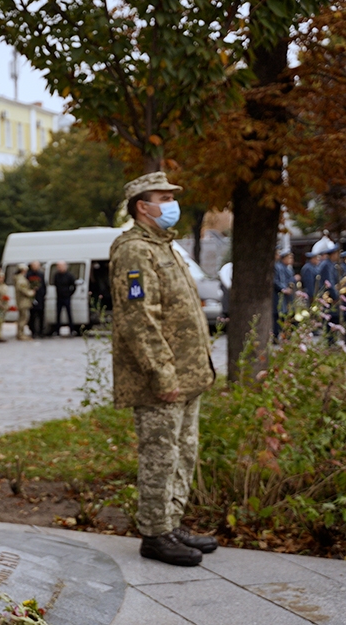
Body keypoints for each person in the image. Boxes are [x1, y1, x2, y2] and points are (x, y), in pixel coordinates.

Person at [109, 172, 217, 567]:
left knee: (183, 452)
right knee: (160, 454)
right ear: (143, 206)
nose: (172, 202)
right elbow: (139, 317)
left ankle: (171, 523)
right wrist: (161, 373)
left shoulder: (165, 247)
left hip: (188, 375)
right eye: (163, 197)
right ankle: (155, 534)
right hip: (163, 380)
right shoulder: (135, 251)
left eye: (172, 196)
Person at [273, 250, 295, 339]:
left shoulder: (282, 267)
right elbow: (276, 281)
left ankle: (286, 334)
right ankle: (277, 335)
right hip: (277, 295)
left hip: (284, 296)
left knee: (284, 314)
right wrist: (284, 289)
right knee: (278, 316)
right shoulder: (276, 266)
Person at [52, 261, 76, 336]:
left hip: (66, 297)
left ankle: (72, 330)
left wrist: (69, 294)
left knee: (69, 314)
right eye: (58, 267)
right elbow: (55, 284)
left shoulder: (69, 275)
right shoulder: (56, 275)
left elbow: (74, 286)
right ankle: (57, 331)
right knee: (58, 314)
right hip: (59, 297)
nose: (60, 268)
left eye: (61, 266)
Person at [14, 264, 36, 340]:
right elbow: (23, 290)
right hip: (23, 301)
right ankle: (20, 334)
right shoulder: (21, 279)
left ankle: (20, 333)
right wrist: (31, 293)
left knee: (22, 318)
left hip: (23, 301)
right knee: (23, 318)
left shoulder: (20, 278)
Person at [26, 262, 46, 338]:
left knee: (41, 316)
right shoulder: (29, 274)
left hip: (40, 298)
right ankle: (33, 331)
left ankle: (41, 331)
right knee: (32, 316)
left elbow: (44, 285)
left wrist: (43, 294)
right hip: (32, 297)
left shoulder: (41, 274)